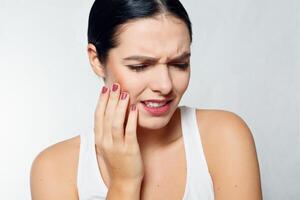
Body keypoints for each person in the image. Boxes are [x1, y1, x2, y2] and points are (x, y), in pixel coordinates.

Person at [30, 0, 263, 199]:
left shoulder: (223, 136)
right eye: (140, 66)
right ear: (96, 60)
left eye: (179, 64)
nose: (165, 85)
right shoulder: (55, 169)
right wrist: (124, 184)